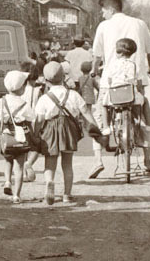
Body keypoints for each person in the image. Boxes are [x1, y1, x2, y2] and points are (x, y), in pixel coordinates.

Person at [92, 0, 150, 175]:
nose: (102, 14)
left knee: (99, 115)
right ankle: (147, 161)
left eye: (103, 10)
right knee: (140, 118)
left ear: (111, 9)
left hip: (110, 82)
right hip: (136, 79)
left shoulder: (104, 26)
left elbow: (97, 56)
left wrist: (93, 70)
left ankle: (98, 160)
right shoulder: (139, 23)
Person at [34, 61, 97, 205]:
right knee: (67, 164)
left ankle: (49, 182)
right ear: (63, 77)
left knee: (50, 163)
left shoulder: (44, 98)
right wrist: (94, 125)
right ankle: (67, 195)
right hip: (69, 130)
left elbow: (38, 119)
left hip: (50, 130)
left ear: (46, 81)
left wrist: (36, 134)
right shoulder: (73, 94)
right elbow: (85, 111)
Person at [0, 70, 36, 204]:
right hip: (20, 139)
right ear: (22, 88)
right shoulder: (24, 105)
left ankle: (7, 182)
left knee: (8, 160)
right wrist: (33, 138)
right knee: (19, 167)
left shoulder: (0, 102)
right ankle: (17, 195)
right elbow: (31, 122)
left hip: (5, 138)